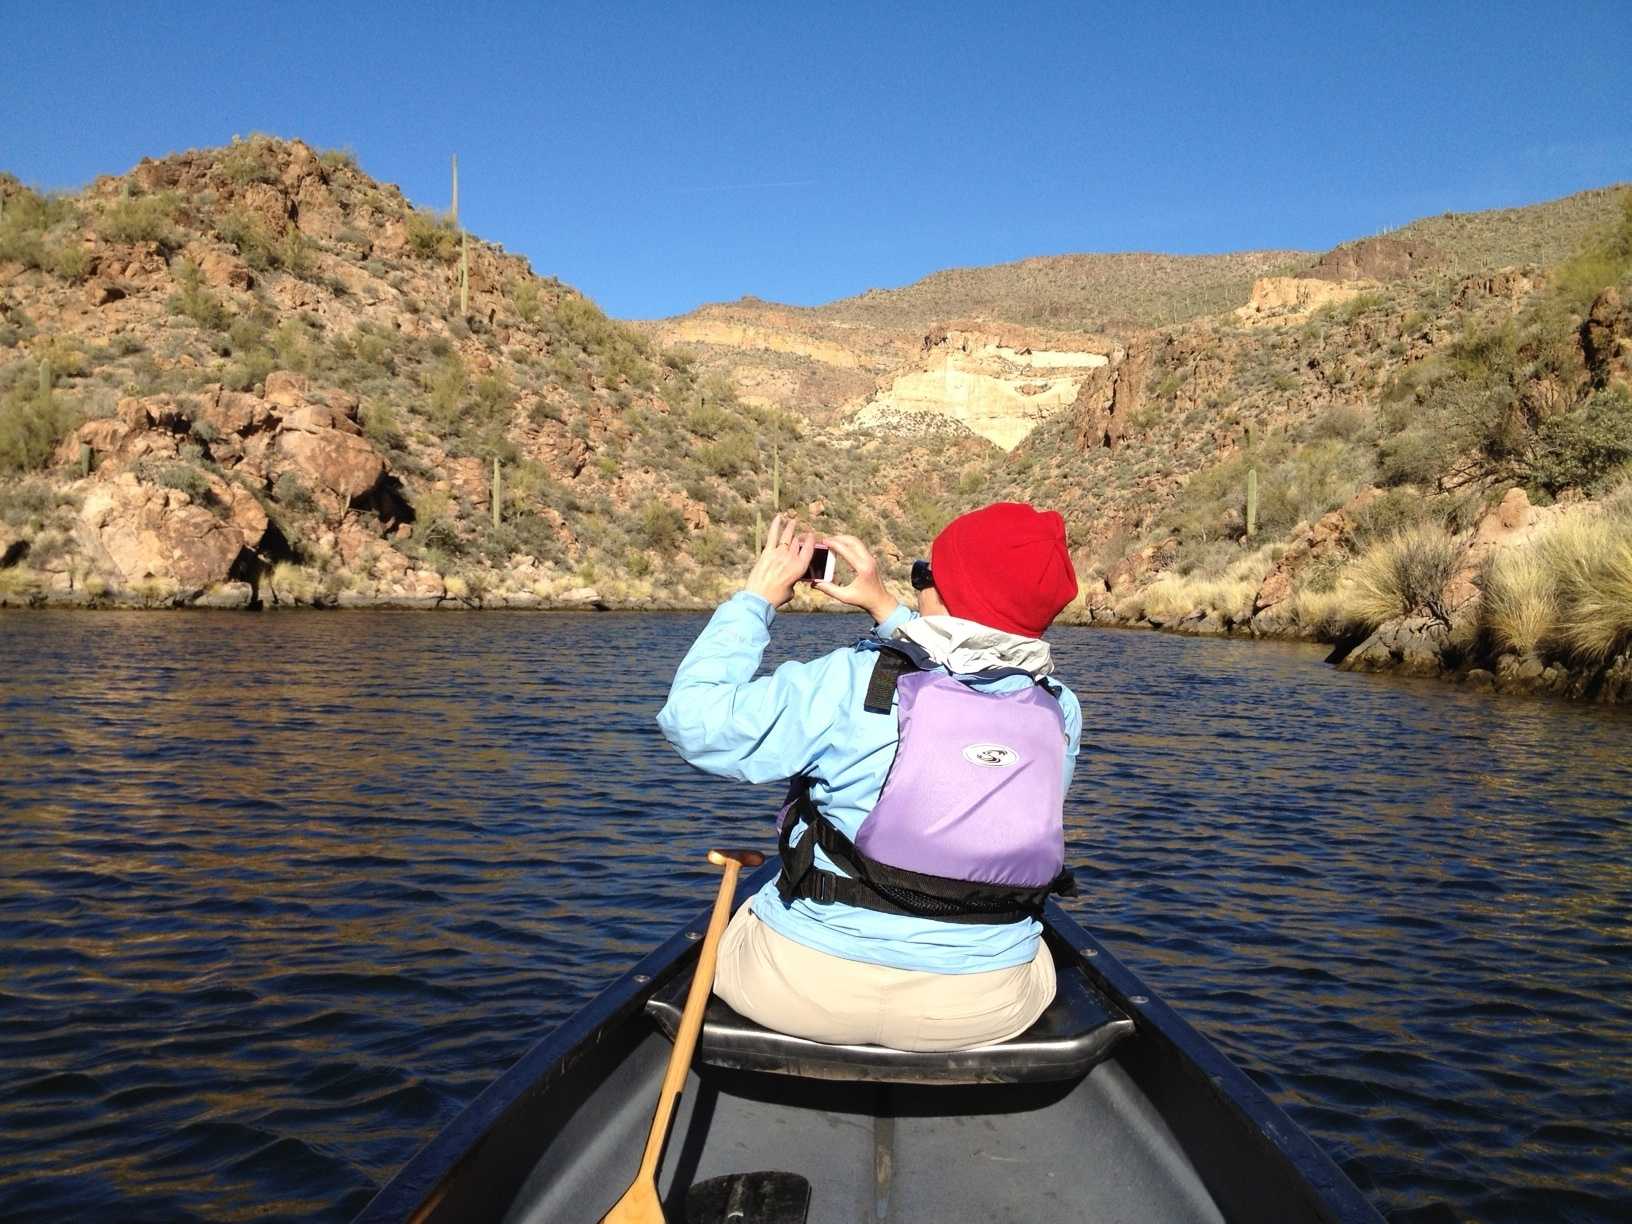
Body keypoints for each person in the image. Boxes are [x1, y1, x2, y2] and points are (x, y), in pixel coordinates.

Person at [656, 502, 1081, 1052]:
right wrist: (883, 606)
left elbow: (695, 723)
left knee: (740, 921)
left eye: (925, 575)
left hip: (804, 990)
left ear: (946, 595)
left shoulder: (851, 682)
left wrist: (755, 600)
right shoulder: (1059, 710)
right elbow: (972, 667)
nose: (920, 585)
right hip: (984, 1007)